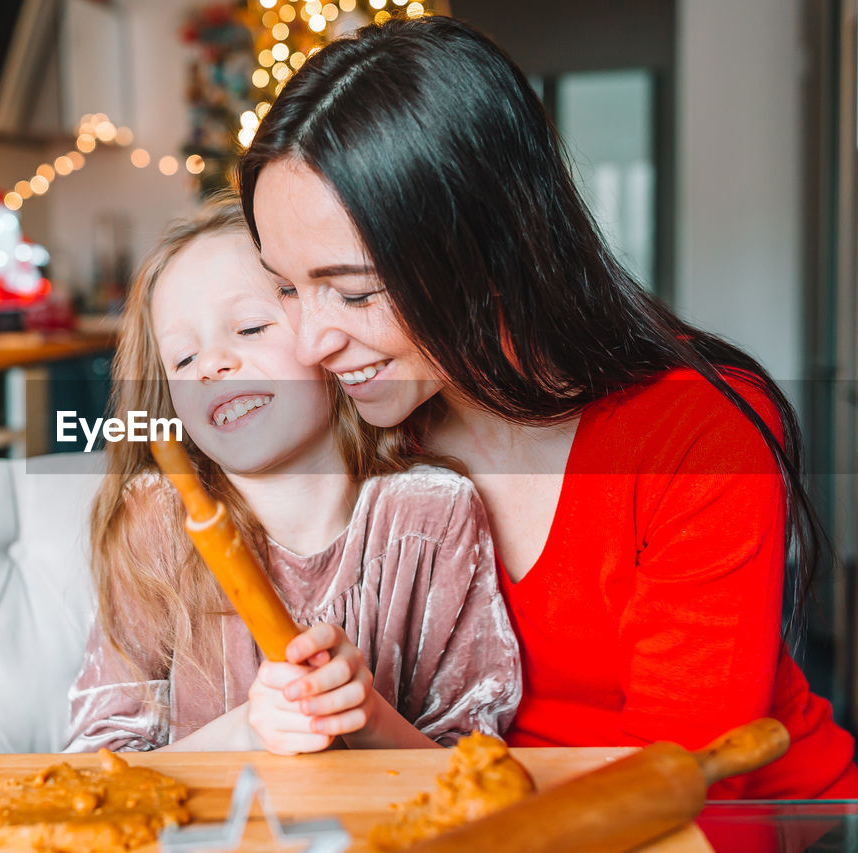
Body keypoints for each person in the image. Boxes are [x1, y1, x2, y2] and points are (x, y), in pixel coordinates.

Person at [237, 15, 858, 798]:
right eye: (285, 288)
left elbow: (676, 787)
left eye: (355, 291)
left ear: (492, 250)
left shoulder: (698, 430)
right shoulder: (373, 420)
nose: (311, 339)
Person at [64, 197, 520, 755]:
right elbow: (97, 760)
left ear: (327, 341)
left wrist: (366, 716)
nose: (211, 365)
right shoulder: (156, 526)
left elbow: (470, 761)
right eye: (183, 360)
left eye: (251, 328)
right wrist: (246, 731)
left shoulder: (432, 514)